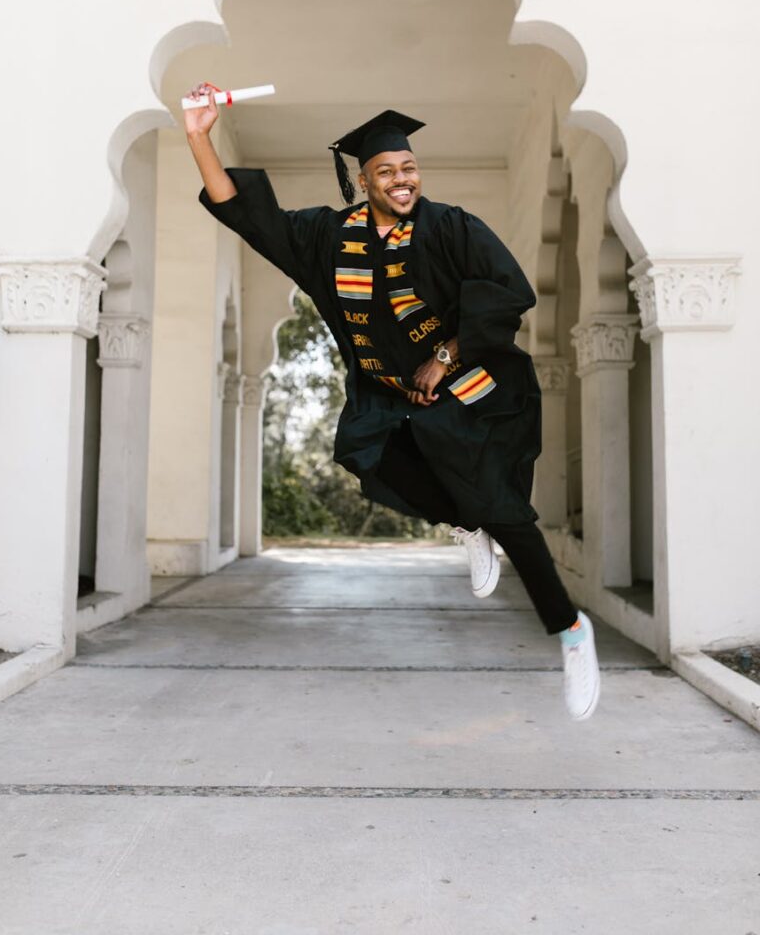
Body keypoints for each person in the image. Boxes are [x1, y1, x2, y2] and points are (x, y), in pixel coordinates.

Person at [185, 87, 600, 721]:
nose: (402, 180)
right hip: (387, 396)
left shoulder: (451, 225)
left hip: (471, 392)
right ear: (363, 180)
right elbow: (245, 213)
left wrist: (447, 354)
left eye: (408, 168)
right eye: (387, 172)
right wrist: (198, 136)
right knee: (365, 456)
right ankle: (466, 525)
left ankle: (571, 631)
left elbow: (509, 290)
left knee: (506, 512)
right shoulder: (327, 236)